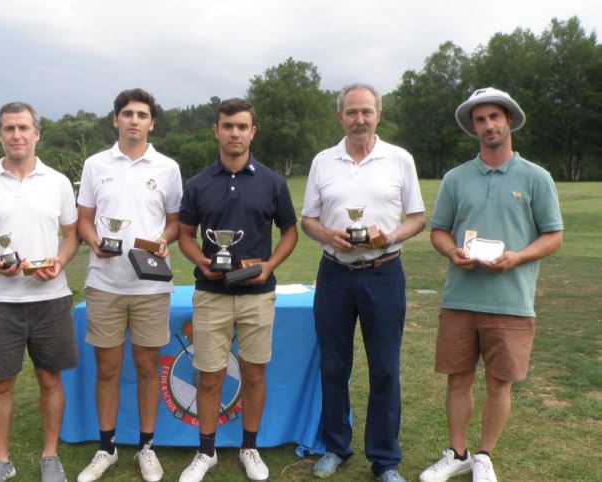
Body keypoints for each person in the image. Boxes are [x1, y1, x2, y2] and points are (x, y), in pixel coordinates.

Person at [419, 87, 563, 482]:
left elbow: (553, 236)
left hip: (512, 300)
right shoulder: (456, 178)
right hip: (461, 298)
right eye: (479, 120)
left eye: (494, 117)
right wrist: (451, 253)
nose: (487, 126)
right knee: (458, 379)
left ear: (509, 120)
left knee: (500, 383)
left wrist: (517, 257)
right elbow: (439, 231)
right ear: (473, 127)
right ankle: (457, 452)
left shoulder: (536, 177)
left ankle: (483, 455)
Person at [301, 83, 426, 482]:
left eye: (366, 112)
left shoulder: (399, 159)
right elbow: (308, 219)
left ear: (378, 114)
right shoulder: (323, 161)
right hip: (335, 272)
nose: (359, 119)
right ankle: (336, 446)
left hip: (384, 272)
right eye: (352, 112)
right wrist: (327, 235)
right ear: (340, 116)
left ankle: (385, 460)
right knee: (334, 365)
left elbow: (417, 218)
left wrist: (389, 235)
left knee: (385, 368)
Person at [176, 98, 298, 482]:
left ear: (252, 132)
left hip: (257, 295)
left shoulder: (272, 182)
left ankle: (249, 447)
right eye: (228, 125)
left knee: (254, 374)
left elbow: (290, 232)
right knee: (209, 376)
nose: (235, 133)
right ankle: (206, 451)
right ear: (216, 129)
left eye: (242, 126)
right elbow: (184, 234)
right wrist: (200, 261)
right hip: (211, 294)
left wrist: (270, 266)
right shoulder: (197, 184)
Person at [0, 102, 79, 482]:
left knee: (50, 379)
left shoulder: (57, 181)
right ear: (0, 135)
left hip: (50, 297)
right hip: (0, 300)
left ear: (37, 133)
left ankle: (49, 456)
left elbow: (72, 235)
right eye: (9, 128)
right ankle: (1, 461)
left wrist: (58, 261)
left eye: (23, 127)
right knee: (1, 383)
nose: (16, 135)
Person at [75, 88, 182, 482]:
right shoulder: (94, 164)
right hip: (104, 283)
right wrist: (92, 241)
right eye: (127, 114)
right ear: (115, 119)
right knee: (108, 368)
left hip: (151, 285)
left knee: (147, 367)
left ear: (151, 122)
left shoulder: (168, 167)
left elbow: (174, 220)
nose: (134, 120)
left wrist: (164, 239)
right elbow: (84, 217)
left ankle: (147, 447)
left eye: (142, 114)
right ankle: (107, 448)